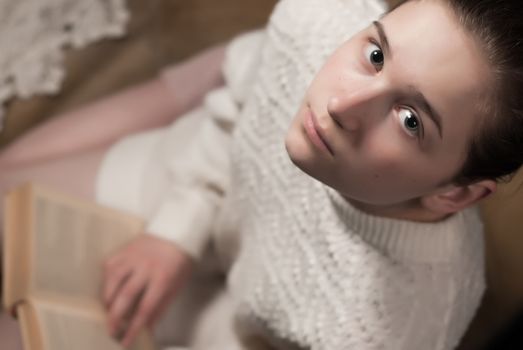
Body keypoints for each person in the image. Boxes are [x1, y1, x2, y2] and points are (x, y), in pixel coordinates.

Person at [1, 0, 522, 349]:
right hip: (197, 172)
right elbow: (235, 110)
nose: (342, 103)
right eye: (376, 53)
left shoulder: (395, 330)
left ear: (456, 193)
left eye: (410, 121)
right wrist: (174, 234)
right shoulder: (322, 19)